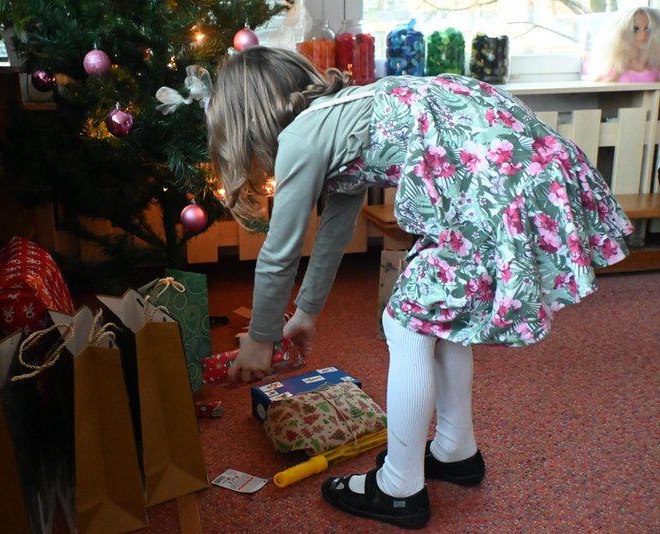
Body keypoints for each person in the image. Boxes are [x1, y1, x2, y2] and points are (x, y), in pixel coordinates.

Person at [206, 46, 633, 529]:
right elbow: (335, 232)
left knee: (405, 320)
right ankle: (455, 450)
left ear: (247, 123)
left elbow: (278, 254)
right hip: (516, 169)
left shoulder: (301, 137)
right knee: (437, 314)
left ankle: (398, 488)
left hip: (495, 181)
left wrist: (260, 338)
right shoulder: (341, 116)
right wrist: (305, 313)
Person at [593, 7, 660, 82]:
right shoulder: (616, 67)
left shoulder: (655, 67)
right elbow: (600, 86)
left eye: (647, 29)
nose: (643, 34)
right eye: (636, 29)